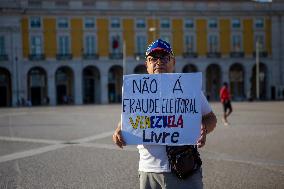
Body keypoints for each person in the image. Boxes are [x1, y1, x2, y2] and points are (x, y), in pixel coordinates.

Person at [113, 39, 217, 189]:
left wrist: (204, 128)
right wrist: (117, 130)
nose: (159, 61)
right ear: (146, 65)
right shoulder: (136, 91)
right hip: (147, 170)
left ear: (173, 62)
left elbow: (210, 118)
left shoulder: (188, 88)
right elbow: (128, 118)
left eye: (164, 57)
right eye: (153, 58)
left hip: (183, 168)